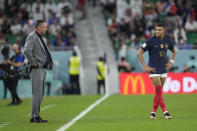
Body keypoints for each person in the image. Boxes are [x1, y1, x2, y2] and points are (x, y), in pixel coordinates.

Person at [137, 23, 176, 119]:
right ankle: (165, 112)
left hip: (163, 68)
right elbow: (139, 53)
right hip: (153, 69)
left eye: (159, 30)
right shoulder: (150, 40)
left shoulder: (167, 40)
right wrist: (145, 66)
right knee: (158, 90)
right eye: (156, 30)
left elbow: (174, 51)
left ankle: (153, 113)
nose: (157, 31)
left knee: (158, 93)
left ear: (164, 30)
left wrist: (171, 62)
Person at [24, 20, 53, 123]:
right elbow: (27, 51)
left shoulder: (40, 38)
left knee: (40, 94)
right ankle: (34, 117)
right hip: (37, 69)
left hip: (42, 68)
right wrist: (34, 63)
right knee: (37, 93)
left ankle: (37, 115)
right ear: (39, 27)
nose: (46, 29)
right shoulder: (32, 36)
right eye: (45, 27)